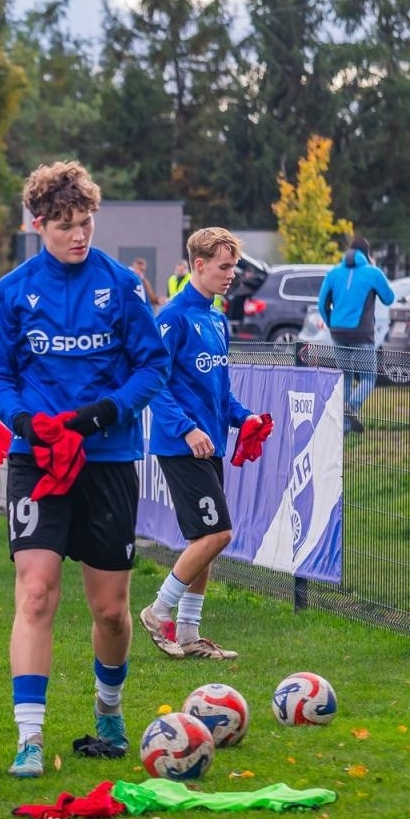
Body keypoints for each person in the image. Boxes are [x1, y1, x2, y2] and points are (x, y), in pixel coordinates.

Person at [0, 160, 165, 778]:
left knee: (110, 610)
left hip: (107, 457)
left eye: (85, 224)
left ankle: (109, 708)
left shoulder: (123, 286)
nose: (78, 235)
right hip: (37, 460)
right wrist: (23, 421)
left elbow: (151, 368)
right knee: (35, 593)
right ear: (39, 225)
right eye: (64, 226)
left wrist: (105, 412)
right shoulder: (11, 290)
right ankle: (28, 737)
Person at [139, 226, 267, 662]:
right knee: (219, 533)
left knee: (205, 541)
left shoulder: (216, 318)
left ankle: (191, 634)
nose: (232, 275)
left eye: (233, 266)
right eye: (224, 267)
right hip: (181, 446)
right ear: (199, 265)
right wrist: (187, 428)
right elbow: (154, 383)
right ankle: (157, 611)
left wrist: (244, 416)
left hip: (208, 444)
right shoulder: (172, 317)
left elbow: (220, 390)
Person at [317, 235, 395, 434]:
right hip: (362, 334)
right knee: (368, 377)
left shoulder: (333, 273)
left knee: (346, 377)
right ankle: (352, 406)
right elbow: (389, 298)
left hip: (338, 333)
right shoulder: (372, 273)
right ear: (367, 255)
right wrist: (376, 270)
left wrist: (331, 324)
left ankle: (343, 428)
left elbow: (321, 303)